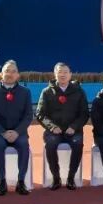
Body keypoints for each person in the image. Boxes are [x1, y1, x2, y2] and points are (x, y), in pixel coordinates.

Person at [36, 62, 88, 190]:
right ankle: (56, 178)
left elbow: (84, 113)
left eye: (65, 72)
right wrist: (52, 127)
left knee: (78, 144)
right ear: (55, 74)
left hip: (73, 130)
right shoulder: (47, 92)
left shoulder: (79, 91)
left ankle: (71, 178)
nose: (62, 75)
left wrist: (74, 127)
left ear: (70, 74)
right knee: (50, 145)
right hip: (54, 131)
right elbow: (40, 114)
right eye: (59, 72)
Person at [0, 60, 33, 196]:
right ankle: (2, 182)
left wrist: (17, 132)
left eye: (13, 71)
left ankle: (21, 182)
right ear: (1, 73)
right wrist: (3, 132)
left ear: (18, 75)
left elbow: (28, 116)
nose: (10, 74)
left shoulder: (25, 92)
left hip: (19, 132)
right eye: (7, 71)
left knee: (23, 144)